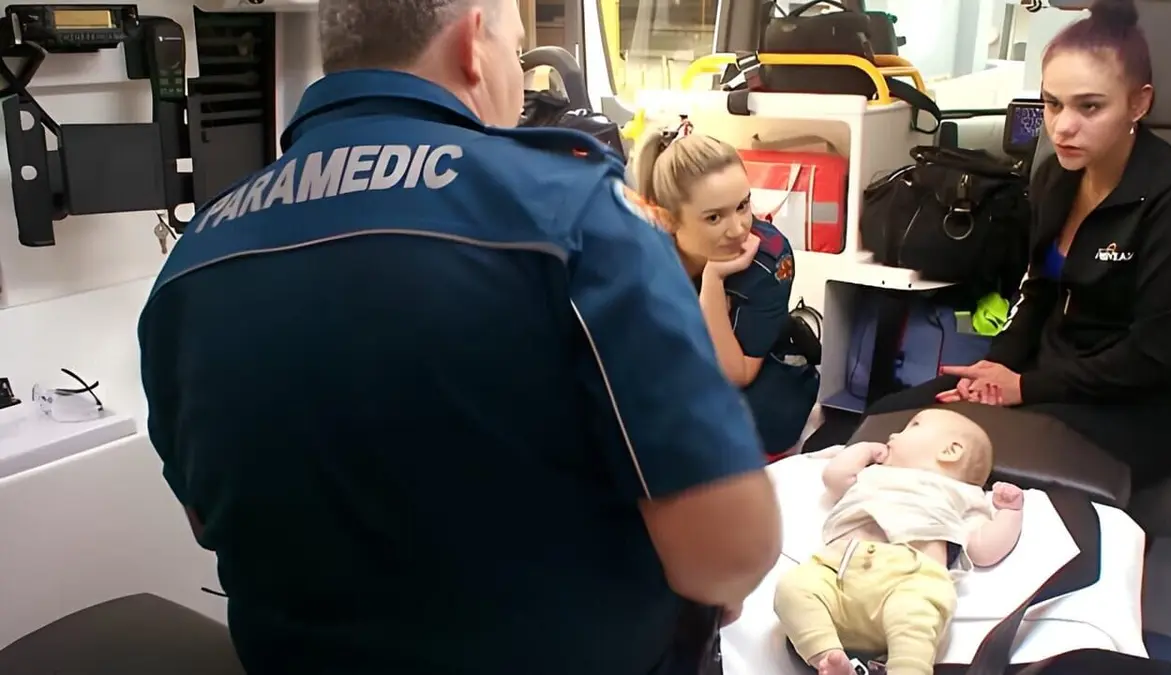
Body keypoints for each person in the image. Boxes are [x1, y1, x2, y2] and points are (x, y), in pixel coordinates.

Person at [136, 0, 784, 672]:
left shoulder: (191, 260)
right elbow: (730, 552)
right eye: (517, 50)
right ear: (474, 45)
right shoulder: (571, 212)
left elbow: (209, 520)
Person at [863, 0, 1171, 487]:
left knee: (946, 463)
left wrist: (1023, 387)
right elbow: (1038, 291)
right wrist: (996, 366)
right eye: (1053, 103)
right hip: (1048, 376)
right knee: (885, 418)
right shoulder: (1055, 179)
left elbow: (1150, 356)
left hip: (1134, 404)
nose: (1062, 127)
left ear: (1139, 103)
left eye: (1090, 107)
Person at [774, 409, 1025, 675]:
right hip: (837, 573)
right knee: (793, 588)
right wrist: (864, 450)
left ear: (950, 451)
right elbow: (834, 477)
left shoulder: (963, 494)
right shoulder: (873, 474)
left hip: (911, 580)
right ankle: (829, 658)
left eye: (911, 426)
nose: (893, 434)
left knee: (918, 615)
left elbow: (983, 549)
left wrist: (1010, 513)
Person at [629, 123, 820, 461]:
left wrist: (713, 283)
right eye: (714, 217)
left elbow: (737, 373)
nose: (738, 229)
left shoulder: (769, 259)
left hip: (757, 376)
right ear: (667, 219)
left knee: (745, 423)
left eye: (743, 205)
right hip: (679, 366)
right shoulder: (640, 250)